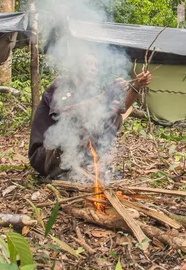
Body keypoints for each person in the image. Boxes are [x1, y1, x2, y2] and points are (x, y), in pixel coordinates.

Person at [29, 51, 151, 180]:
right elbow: (65, 114)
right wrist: (106, 95)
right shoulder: (61, 85)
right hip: (45, 155)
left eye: (96, 65)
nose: (94, 68)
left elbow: (122, 108)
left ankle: (81, 167)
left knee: (113, 117)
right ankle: (61, 172)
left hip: (70, 154)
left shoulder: (89, 92)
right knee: (71, 125)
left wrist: (136, 86)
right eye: (88, 64)